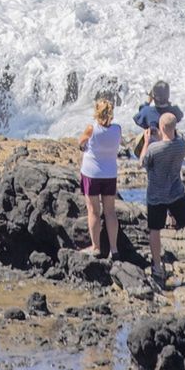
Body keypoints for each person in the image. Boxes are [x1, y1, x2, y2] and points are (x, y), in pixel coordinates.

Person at [139, 111, 185, 284]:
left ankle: (157, 267)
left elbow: (142, 162)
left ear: (160, 127)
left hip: (156, 195)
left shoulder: (154, 149)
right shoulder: (181, 145)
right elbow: (171, 141)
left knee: (155, 231)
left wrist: (147, 141)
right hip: (176, 193)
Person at [77, 97, 124, 259]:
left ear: (96, 113)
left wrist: (84, 146)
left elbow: (81, 143)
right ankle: (114, 249)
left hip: (92, 174)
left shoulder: (91, 128)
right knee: (110, 212)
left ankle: (96, 247)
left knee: (94, 211)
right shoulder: (117, 129)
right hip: (110, 174)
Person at [132, 79, 183, 156]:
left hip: (152, 148)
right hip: (171, 146)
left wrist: (147, 102)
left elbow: (139, 117)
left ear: (154, 97)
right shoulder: (175, 110)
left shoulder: (147, 111)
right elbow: (180, 116)